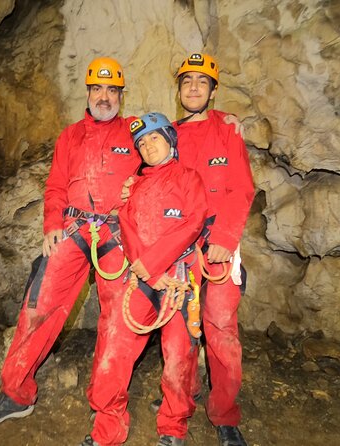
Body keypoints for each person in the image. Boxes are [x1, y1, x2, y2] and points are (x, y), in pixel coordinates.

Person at [0, 57, 141, 437]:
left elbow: (172, 148)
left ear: (121, 96)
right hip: (73, 229)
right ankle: (16, 394)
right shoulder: (70, 136)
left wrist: (223, 123)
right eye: (98, 89)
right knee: (39, 305)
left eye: (112, 90)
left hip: (117, 235)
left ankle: (107, 411)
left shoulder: (135, 133)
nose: (105, 97)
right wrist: (51, 225)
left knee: (119, 324)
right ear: (89, 92)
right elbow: (56, 186)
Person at [84, 112, 208, 446]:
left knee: (179, 355)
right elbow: (127, 224)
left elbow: (192, 223)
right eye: (141, 142)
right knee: (116, 349)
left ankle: (173, 428)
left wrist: (152, 266)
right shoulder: (135, 185)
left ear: (169, 138)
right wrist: (143, 267)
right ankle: (107, 430)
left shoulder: (189, 178)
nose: (148, 146)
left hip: (178, 279)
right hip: (143, 280)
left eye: (154, 138)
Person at [173, 53, 255, 446]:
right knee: (181, 329)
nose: (193, 87)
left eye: (201, 82)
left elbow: (241, 189)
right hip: (179, 248)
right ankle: (180, 400)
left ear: (212, 90)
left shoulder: (227, 131)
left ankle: (224, 414)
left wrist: (225, 238)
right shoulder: (166, 135)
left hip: (220, 247)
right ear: (178, 90)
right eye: (187, 81)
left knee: (220, 328)